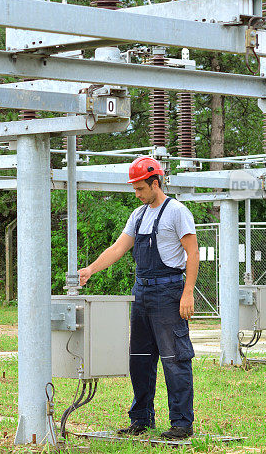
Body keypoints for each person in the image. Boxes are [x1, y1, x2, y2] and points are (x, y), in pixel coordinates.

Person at [78, 156, 199, 440]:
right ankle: (141, 419)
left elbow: (192, 253)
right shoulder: (139, 214)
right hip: (142, 292)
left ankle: (181, 423)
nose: (137, 193)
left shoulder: (177, 212)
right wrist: (91, 269)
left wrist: (188, 293)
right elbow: (119, 247)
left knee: (175, 358)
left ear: (154, 183)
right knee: (140, 359)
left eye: (140, 188)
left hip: (169, 292)